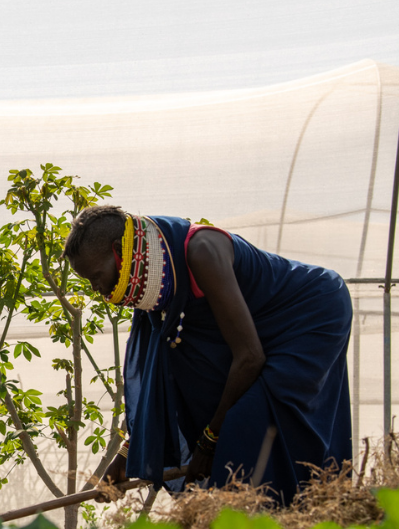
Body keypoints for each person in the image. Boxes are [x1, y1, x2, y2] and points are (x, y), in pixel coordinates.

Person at [64, 207, 352, 505]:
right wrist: (125, 457)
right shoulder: (153, 285)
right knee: (208, 399)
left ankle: (298, 515)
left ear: (119, 251)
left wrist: (209, 441)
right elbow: (162, 385)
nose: (96, 289)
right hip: (256, 338)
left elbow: (250, 357)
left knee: (249, 421)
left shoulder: (201, 253)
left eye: (96, 276)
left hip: (311, 316)